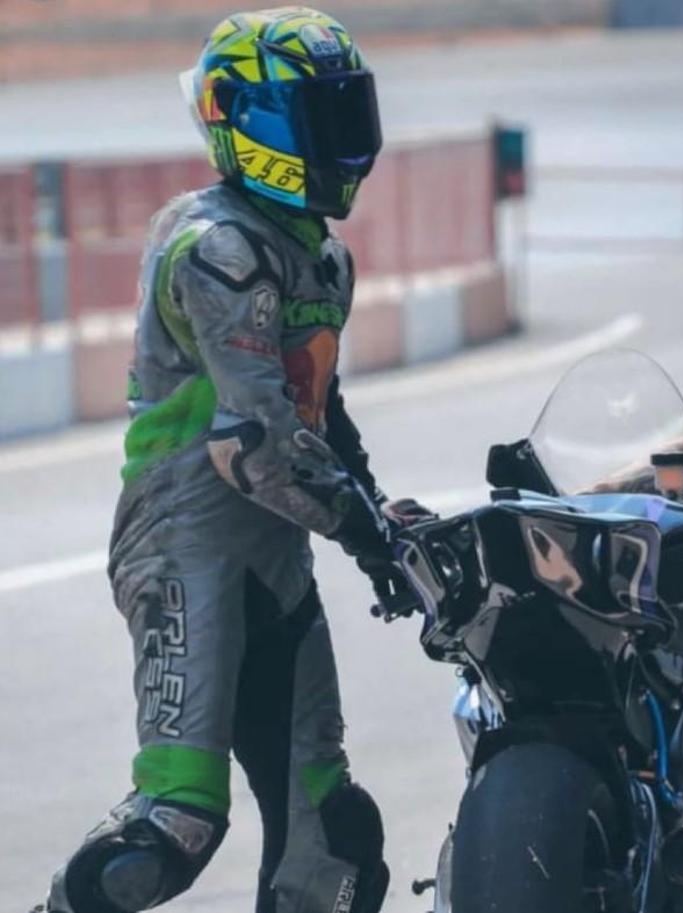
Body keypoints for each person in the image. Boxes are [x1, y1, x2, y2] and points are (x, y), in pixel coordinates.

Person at [33, 8, 423, 913]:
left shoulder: (321, 256)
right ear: (250, 121)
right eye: (320, 115)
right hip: (186, 539)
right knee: (172, 825)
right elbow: (252, 447)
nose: (343, 137)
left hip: (274, 550)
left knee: (334, 841)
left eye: (348, 110)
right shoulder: (218, 248)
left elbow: (317, 413)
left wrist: (385, 520)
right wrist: (367, 533)